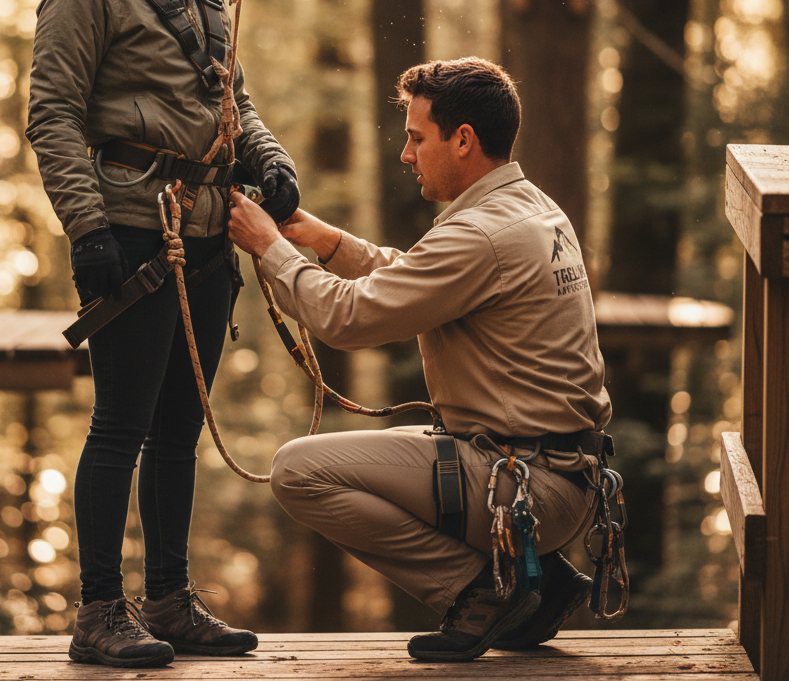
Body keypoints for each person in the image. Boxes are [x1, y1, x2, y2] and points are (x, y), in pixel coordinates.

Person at [26, 0, 299, 668]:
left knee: (178, 428)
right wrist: (89, 226)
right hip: (134, 230)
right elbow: (53, 114)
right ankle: (99, 612)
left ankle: (170, 599)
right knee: (120, 425)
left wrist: (269, 158)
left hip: (206, 229)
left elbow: (233, 102)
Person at [227, 57, 612, 662]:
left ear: (463, 141)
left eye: (415, 137)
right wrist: (325, 241)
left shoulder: (479, 233)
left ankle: (483, 590)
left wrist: (269, 248)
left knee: (298, 472)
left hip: (522, 488)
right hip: (563, 479)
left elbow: (346, 319)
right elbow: (415, 279)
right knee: (323, 465)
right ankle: (544, 580)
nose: (406, 155)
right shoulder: (528, 208)